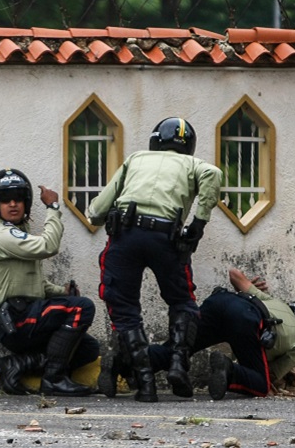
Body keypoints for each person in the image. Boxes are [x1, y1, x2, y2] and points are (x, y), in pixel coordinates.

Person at [86, 117, 223, 401]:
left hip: (126, 235)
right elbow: (213, 173)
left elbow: (99, 209)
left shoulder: (136, 159)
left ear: (156, 139)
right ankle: (177, 365)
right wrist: (198, 224)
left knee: (124, 309)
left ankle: (145, 383)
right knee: (182, 301)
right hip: (167, 238)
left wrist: (94, 215)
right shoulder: (191, 164)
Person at [0, 168, 100, 397]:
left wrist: (61, 292)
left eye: (18, 198)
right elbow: (49, 246)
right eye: (5, 199)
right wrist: (53, 208)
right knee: (82, 307)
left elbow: (34, 283)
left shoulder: (18, 232)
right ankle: (53, 379)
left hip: (27, 314)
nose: (12, 204)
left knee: (87, 348)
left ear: (26, 202)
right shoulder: (3, 236)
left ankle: (17, 364)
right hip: (16, 320)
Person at [146, 268, 295, 399]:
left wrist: (250, 286)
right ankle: (229, 370)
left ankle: (128, 360)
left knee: (177, 350)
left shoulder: (276, 302)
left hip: (221, 301)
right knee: (261, 384)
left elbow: (234, 274)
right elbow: (271, 374)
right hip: (246, 320)